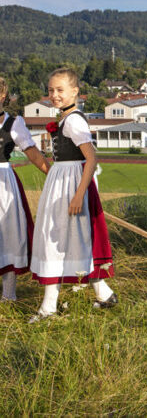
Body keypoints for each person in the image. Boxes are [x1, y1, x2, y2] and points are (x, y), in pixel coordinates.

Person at [29, 68, 115, 322]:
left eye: (60, 90)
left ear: (75, 92)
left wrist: (78, 196)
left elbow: (91, 158)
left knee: (55, 240)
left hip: (72, 184)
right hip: (62, 181)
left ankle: (48, 308)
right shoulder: (66, 118)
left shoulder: (75, 120)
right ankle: (104, 294)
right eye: (50, 90)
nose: (54, 95)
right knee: (67, 240)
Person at [0, 77, 50, 302]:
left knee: (9, 235)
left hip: (3, 182)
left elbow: (32, 153)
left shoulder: (13, 123)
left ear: (2, 96)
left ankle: (8, 294)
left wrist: (54, 175)